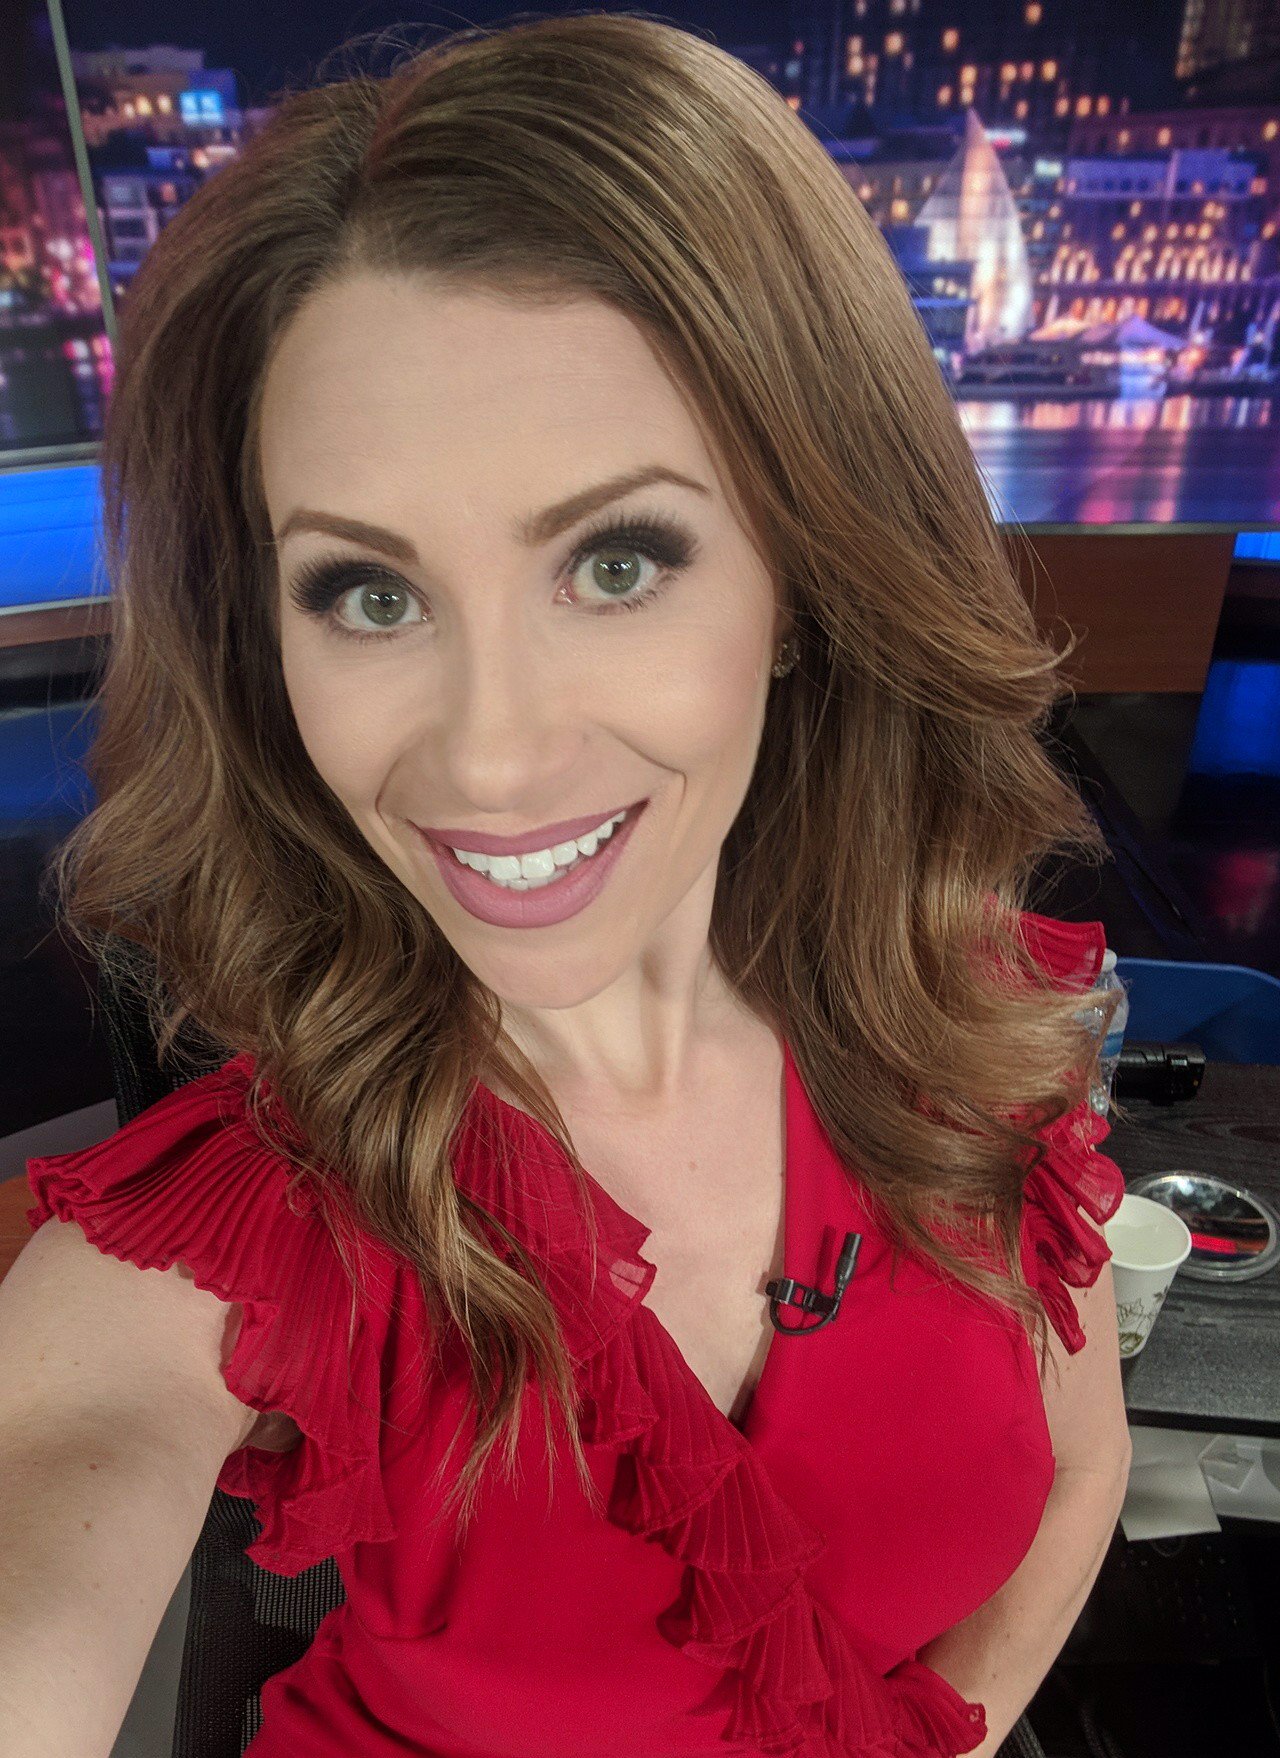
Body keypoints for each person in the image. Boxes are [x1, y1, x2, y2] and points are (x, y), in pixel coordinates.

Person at [0, 14, 1132, 1758]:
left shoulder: (977, 1025)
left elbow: (1084, 1466)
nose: (493, 757)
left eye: (616, 561)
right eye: (371, 595)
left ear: (804, 582)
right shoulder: (244, 1230)